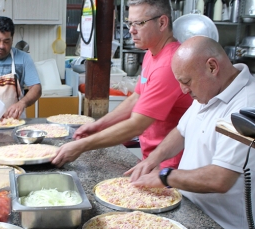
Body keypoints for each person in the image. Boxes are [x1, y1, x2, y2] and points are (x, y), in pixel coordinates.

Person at [128, 36, 255, 229]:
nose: (184, 90)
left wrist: (165, 176)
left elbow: (220, 178)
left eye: (186, 82)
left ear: (212, 67)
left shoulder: (250, 105)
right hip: (200, 213)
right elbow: (182, 131)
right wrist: (153, 159)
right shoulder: (209, 91)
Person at [52, 0, 192, 168]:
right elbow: (136, 98)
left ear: (162, 22)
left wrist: (82, 146)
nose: (131, 30)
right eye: (130, 23)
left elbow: (137, 125)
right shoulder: (151, 53)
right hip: (153, 159)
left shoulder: (169, 64)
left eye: (139, 23)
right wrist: (98, 125)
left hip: (173, 164)